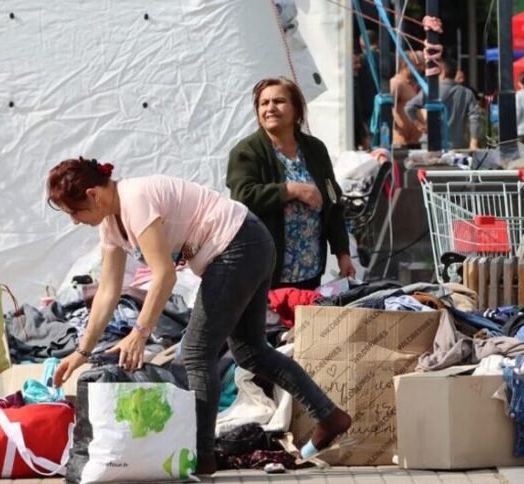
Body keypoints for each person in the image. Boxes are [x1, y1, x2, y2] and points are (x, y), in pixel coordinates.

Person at [47, 159, 352, 475]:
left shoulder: (135, 200)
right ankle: (329, 416)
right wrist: (81, 352)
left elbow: (165, 274)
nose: (73, 221)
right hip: (249, 242)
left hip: (239, 244)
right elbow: (108, 290)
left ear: (93, 195)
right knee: (250, 352)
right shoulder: (111, 224)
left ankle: (202, 457)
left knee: (195, 352)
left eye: (74, 211)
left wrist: (140, 331)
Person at [227, 78, 356, 289]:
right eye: (264, 103)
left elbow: (333, 202)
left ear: (296, 110)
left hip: (310, 269)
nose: (270, 108)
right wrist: (291, 189)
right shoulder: (246, 151)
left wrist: (343, 253)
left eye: (278, 101)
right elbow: (243, 196)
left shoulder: (315, 149)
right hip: (265, 272)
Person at [405, 59, 482, 150]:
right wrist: (473, 142)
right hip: (456, 145)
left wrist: (420, 125)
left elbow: (409, 107)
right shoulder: (467, 93)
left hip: (430, 143)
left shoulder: (430, 91)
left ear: (443, 72)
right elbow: (475, 117)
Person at [390, 50, 425, 149]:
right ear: (405, 64)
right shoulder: (396, 83)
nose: (421, 69)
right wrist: (398, 128)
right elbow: (386, 108)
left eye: (422, 65)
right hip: (402, 142)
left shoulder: (415, 84)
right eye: (418, 65)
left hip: (416, 141)